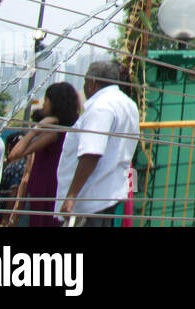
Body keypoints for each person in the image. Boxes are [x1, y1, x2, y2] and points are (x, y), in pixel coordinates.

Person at [55, 61, 139, 227]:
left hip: (90, 198)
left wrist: (71, 197)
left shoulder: (101, 107)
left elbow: (91, 154)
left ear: (92, 83)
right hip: (107, 193)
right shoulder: (128, 104)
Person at [8, 81, 82, 227]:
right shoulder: (70, 129)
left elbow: (15, 154)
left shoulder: (53, 132)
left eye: (46, 100)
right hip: (53, 190)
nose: (43, 104)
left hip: (43, 191)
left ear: (54, 103)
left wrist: (37, 128)